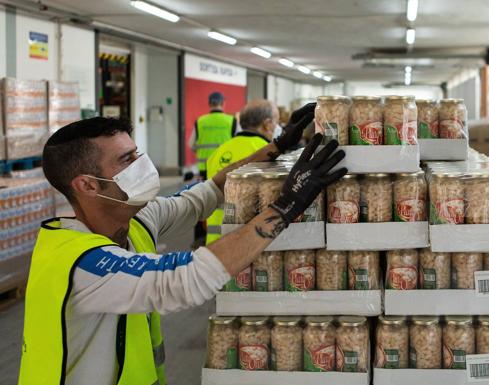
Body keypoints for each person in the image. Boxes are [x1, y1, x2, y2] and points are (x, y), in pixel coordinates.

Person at [19, 110, 346, 385]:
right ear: (88, 185)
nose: (141, 164)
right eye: (126, 160)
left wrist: (274, 148)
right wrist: (285, 207)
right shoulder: (82, 264)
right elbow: (186, 279)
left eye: (137, 153)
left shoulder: (137, 220)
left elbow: (208, 192)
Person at [204, 100, 313, 244]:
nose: (278, 127)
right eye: (276, 122)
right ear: (267, 124)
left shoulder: (218, 151)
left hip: (214, 241)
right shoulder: (268, 153)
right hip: (247, 243)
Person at [188, 92, 237, 179]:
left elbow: (190, 144)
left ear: (209, 104)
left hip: (205, 167)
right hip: (225, 166)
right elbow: (239, 142)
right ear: (223, 103)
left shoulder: (200, 121)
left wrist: (200, 152)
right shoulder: (232, 121)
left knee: (207, 192)